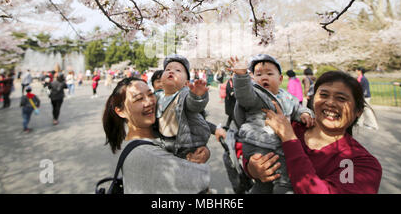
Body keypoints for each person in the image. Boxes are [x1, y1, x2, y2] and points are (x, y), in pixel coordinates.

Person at [249, 70, 382, 194]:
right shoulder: (291, 127)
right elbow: (253, 151)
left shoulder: (362, 163)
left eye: (341, 98)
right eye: (323, 95)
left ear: (358, 111)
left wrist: (289, 139)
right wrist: (253, 168)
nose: (330, 102)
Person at [102, 77, 211, 194]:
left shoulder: (160, 131)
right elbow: (200, 178)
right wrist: (196, 160)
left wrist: (202, 150)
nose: (149, 102)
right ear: (120, 111)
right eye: (139, 99)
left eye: (150, 94)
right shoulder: (145, 154)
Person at [227, 55, 314, 194]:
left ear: (280, 79)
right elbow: (243, 94)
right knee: (277, 180)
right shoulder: (255, 96)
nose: (264, 77)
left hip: (279, 145)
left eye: (269, 73)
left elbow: (297, 108)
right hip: (257, 143)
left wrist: (306, 114)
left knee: (277, 179)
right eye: (259, 74)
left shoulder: (286, 96)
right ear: (253, 79)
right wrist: (241, 76)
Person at [155, 54, 211, 159]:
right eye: (167, 69)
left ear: (186, 83)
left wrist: (196, 96)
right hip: (163, 141)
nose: (171, 71)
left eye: (178, 70)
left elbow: (193, 105)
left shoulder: (183, 95)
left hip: (184, 145)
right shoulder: (157, 96)